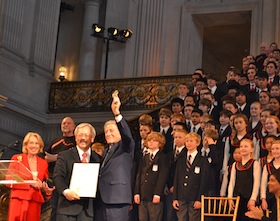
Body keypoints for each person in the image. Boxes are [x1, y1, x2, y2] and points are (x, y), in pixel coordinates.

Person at [95, 91, 135, 221]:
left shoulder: (125, 145)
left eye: (111, 130)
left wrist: (117, 114)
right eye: (106, 131)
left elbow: (127, 135)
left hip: (117, 198)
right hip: (102, 197)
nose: (108, 134)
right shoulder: (106, 150)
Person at [53, 123, 101, 221]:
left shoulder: (98, 159)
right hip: (67, 209)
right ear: (75, 138)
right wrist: (66, 192)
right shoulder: (64, 155)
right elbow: (57, 176)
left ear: (92, 139)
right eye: (80, 135)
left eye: (86, 135)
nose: (83, 138)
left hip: (88, 211)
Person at [7, 132, 54, 221]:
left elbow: (43, 183)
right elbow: (9, 180)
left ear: (40, 146)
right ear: (26, 145)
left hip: (35, 201)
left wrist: (46, 190)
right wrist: (30, 183)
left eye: (37, 143)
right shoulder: (17, 159)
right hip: (18, 200)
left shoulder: (43, 163)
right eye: (31, 143)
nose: (34, 146)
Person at [44, 116, 76, 221]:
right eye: (63, 123)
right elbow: (45, 156)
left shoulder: (76, 140)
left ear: (74, 126)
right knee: (54, 208)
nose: (65, 125)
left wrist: (55, 157)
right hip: (53, 179)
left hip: (69, 180)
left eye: (68, 123)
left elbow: (75, 155)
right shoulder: (55, 141)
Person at [172, 132, 209, 221]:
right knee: (181, 218)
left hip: (194, 197)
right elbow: (176, 179)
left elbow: (204, 181)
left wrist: (199, 199)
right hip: (181, 196)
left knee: (194, 218)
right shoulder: (181, 159)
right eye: (187, 141)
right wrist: (175, 198)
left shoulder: (202, 160)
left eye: (191, 141)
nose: (189, 143)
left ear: (197, 143)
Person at [134, 132, 169, 221]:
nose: (151, 142)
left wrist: (157, 193)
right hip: (143, 194)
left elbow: (162, 177)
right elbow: (139, 175)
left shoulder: (163, 157)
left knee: (155, 217)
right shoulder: (144, 157)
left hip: (154, 194)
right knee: (142, 218)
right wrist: (137, 192)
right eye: (149, 140)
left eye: (154, 140)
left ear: (160, 143)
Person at [227, 138, 261, 221]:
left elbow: (257, 183)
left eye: (246, 146)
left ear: (252, 149)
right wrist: (230, 197)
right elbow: (232, 182)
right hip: (237, 197)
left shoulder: (255, 164)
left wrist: (253, 199)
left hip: (249, 197)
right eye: (241, 146)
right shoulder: (235, 164)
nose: (243, 148)